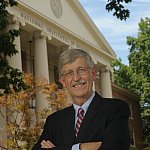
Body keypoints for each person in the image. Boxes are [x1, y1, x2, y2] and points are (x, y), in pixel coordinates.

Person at [32, 48, 130, 150]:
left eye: (81, 70)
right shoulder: (54, 121)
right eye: (69, 73)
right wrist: (81, 147)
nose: (76, 78)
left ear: (92, 74)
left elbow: (115, 147)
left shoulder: (115, 109)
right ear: (63, 81)